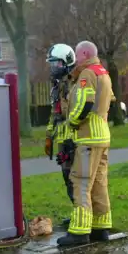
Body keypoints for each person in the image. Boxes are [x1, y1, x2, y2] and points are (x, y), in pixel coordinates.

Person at [57, 40, 113, 247]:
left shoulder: (87, 74)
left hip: (88, 137)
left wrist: (71, 122)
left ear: (86, 54)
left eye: (78, 55)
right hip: (102, 136)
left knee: (80, 182)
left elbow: (85, 104)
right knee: (99, 183)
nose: (75, 59)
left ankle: (79, 232)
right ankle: (101, 228)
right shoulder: (103, 73)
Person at [45, 43, 78, 212]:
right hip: (62, 141)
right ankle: (77, 212)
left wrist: (72, 140)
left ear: (67, 62)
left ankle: (84, 215)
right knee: (67, 178)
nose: (53, 67)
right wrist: (49, 136)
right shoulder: (57, 86)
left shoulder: (74, 85)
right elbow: (55, 114)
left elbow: (74, 113)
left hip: (73, 140)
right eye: (51, 64)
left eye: (56, 63)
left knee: (76, 179)